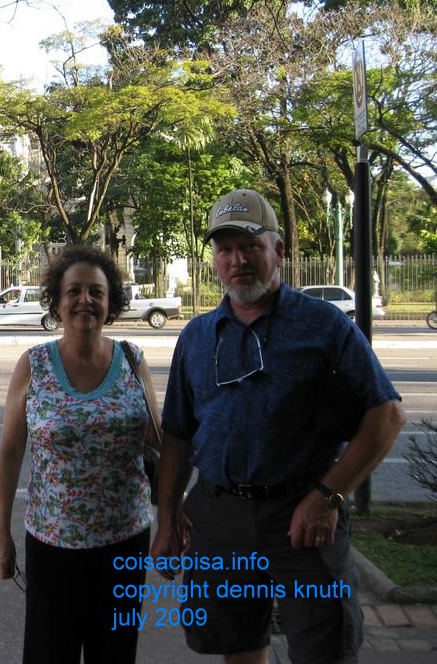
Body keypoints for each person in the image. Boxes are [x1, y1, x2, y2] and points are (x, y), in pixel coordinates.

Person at [152, 189, 405, 664]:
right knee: (239, 644)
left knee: (323, 648)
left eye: (250, 245)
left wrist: (329, 495)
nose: (237, 259)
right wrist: (167, 516)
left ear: (279, 251)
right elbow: (178, 434)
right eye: (224, 249)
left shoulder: (323, 326)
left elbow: (386, 414)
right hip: (220, 517)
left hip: (302, 518)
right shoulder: (197, 335)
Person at [0, 244, 160, 663]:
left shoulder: (132, 360)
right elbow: (10, 453)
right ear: (57, 301)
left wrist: (175, 510)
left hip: (125, 542)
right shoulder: (34, 365)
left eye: (97, 292)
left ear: (111, 302)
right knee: (51, 654)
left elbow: (158, 443)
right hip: (53, 545)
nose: (86, 300)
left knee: (115, 654)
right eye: (75, 291)